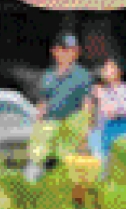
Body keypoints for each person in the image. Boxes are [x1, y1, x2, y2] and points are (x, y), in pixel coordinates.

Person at [27, 34, 92, 178]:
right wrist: (37, 125)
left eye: (72, 50)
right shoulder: (48, 75)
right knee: (36, 159)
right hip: (49, 123)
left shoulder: (83, 75)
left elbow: (87, 104)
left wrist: (85, 130)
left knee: (66, 165)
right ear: (55, 51)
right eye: (64, 49)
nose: (68, 53)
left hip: (70, 125)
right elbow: (43, 102)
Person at [85, 56, 126, 166]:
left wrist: (102, 95)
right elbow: (91, 116)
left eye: (110, 67)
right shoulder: (101, 90)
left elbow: (112, 113)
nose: (105, 70)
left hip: (121, 136)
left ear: (120, 71)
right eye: (105, 67)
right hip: (101, 136)